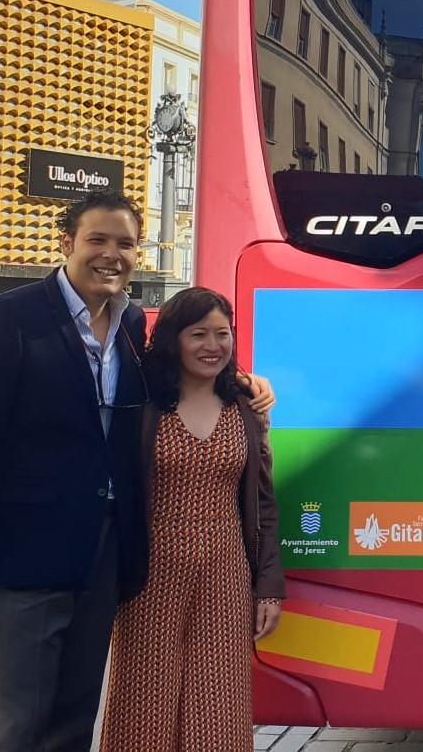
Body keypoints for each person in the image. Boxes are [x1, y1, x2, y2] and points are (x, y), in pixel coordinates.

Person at [0, 191, 274, 752]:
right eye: (97, 240)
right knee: (15, 731)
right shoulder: (10, 318)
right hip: (24, 566)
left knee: (73, 725)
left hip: (104, 565)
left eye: (125, 243)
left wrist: (244, 383)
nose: (112, 255)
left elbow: (186, 370)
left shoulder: (129, 325)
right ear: (67, 242)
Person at [100, 287, 284, 752]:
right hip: (150, 574)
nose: (212, 345)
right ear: (172, 340)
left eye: (222, 334)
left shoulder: (244, 408)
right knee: (144, 701)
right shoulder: (142, 404)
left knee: (219, 703)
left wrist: (269, 586)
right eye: (198, 333)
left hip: (226, 572)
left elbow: (263, 501)